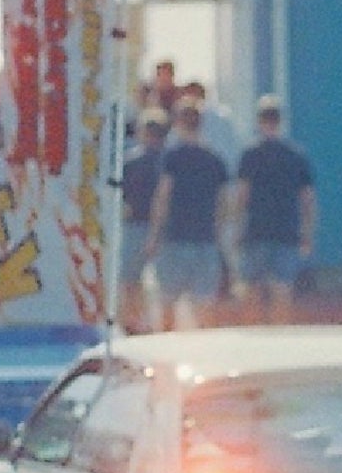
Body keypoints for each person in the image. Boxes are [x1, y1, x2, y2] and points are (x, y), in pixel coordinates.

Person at [146, 101, 233, 329]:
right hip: (205, 239)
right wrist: (220, 235)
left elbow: (162, 198)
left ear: (178, 123)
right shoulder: (216, 160)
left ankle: (166, 356)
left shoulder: (171, 157)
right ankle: (204, 358)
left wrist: (154, 236)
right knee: (204, 306)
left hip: (174, 237)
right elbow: (223, 204)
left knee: (167, 303)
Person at [234, 95, 316, 323]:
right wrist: (307, 234)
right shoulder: (296, 155)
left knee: (251, 287)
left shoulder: (250, 154)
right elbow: (308, 199)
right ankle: (280, 336)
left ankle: (253, 334)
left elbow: (242, 195)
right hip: (287, 230)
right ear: (280, 120)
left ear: (259, 120)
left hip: (256, 229)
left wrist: (237, 228)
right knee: (283, 288)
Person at [118, 108, 170, 332]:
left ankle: (134, 323)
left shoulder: (130, 162)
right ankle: (156, 324)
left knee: (130, 281)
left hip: (134, 226)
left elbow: (120, 196)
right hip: (166, 229)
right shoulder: (170, 161)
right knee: (163, 285)